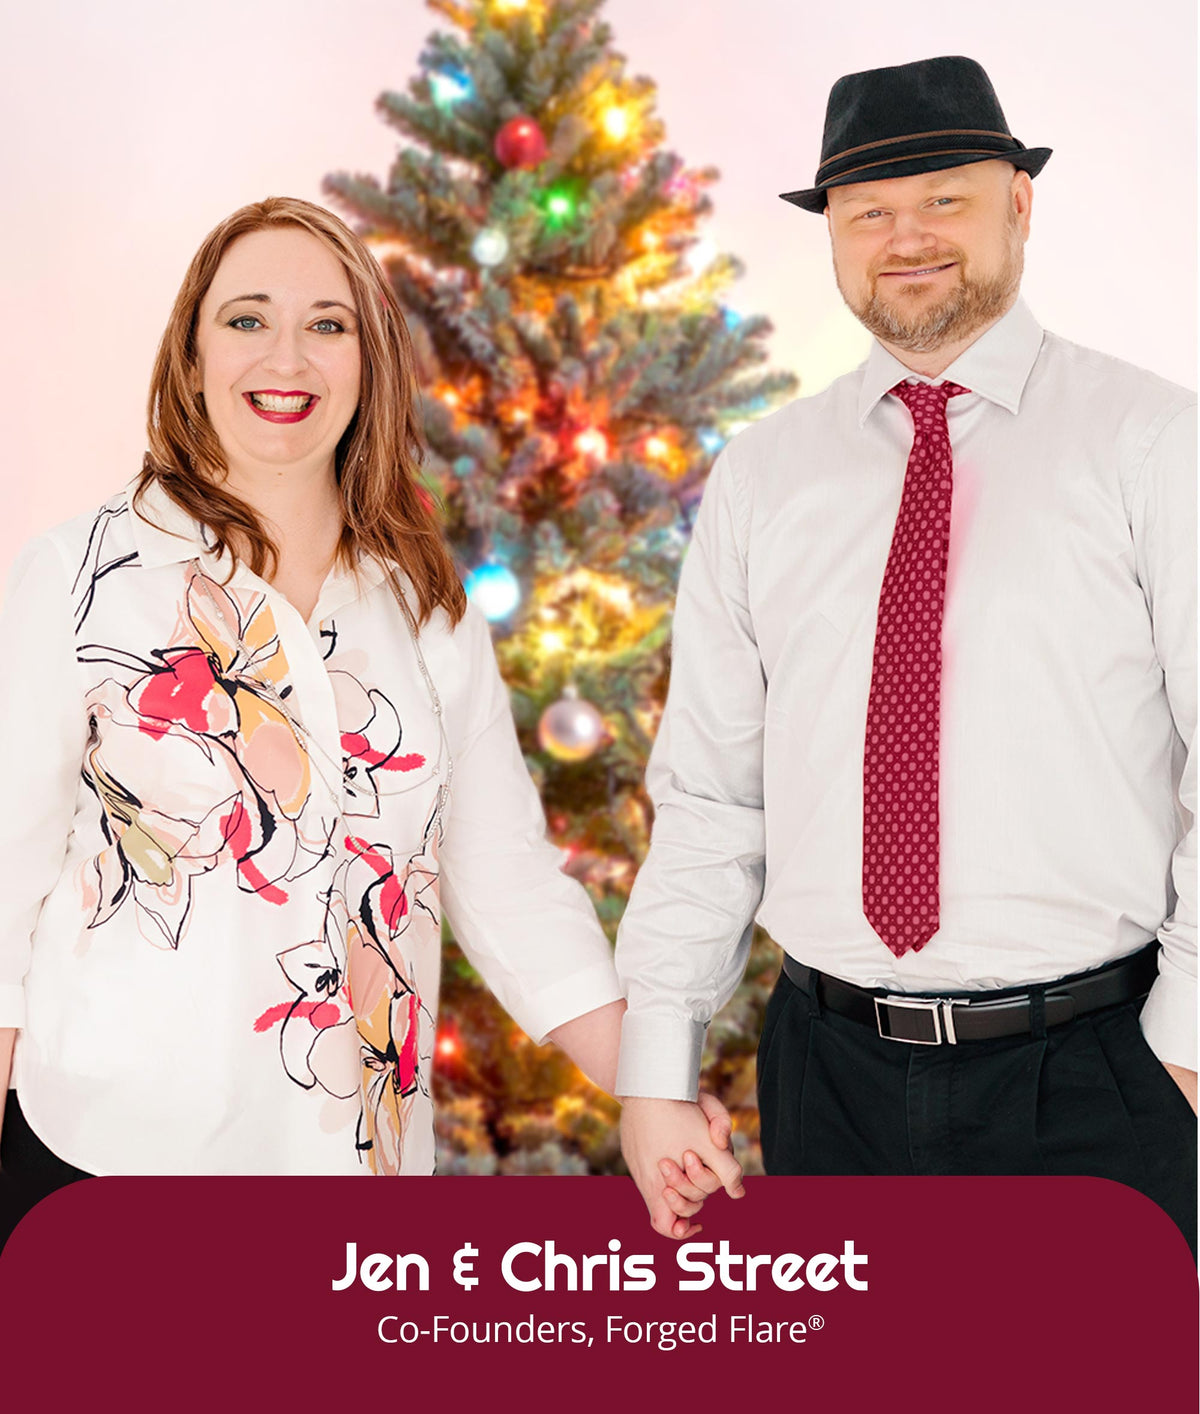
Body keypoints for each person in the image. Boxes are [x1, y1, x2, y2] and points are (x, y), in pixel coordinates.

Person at [0, 196, 727, 1222]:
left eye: (326, 324)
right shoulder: (76, 577)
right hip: (102, 1172)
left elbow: (505, 879)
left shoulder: (422, 606)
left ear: (369, 359)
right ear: (193, 357)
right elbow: (2, 885)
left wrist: (652, 1086)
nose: (285, 357)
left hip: (355, 1185)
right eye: (246, 320)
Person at [615, 56, 1197, 1252]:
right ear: (832, 231)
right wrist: (655, 1066)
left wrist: (1186, 1043)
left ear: (1018, 206)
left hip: (1105, 1075)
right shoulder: (765, 475)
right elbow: (710, 793)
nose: (906, 236)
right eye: (868, 210)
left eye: (945, 198)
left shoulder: (1154, 444)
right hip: (829, 1083)